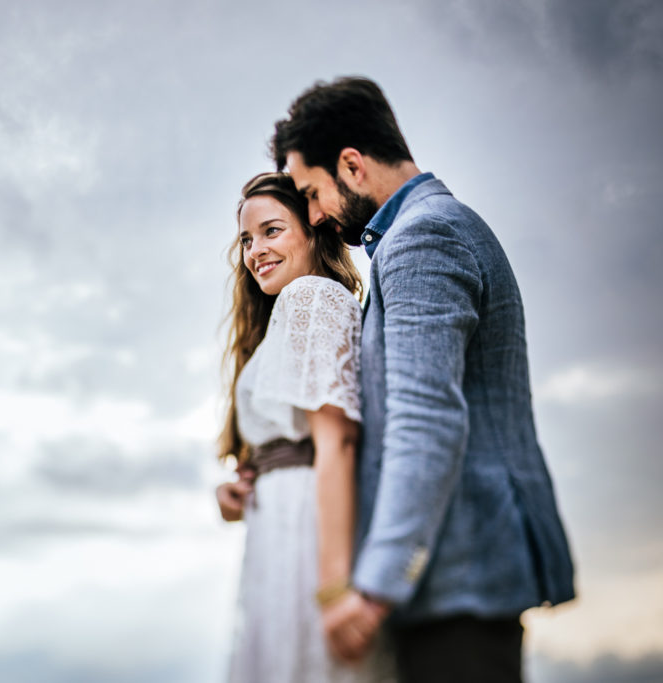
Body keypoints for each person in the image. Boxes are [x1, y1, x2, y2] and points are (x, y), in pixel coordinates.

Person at [265, 77, 576, 682]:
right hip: (457, 584)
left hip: (461, 585)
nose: (313, 214)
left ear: (351, 165)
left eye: (311, 192)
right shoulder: (431, 229)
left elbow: (425, 419)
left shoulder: (421, 240)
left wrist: (377, 588)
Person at [215, 172, 396, 682]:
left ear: (313, 232)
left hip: (305, 528)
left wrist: (335, 587)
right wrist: (240, 489)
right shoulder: (288, 314)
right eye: (247, 239)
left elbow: (335, 442)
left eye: (272, 231)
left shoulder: (312, 297)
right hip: (277, 524)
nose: (255, 251)